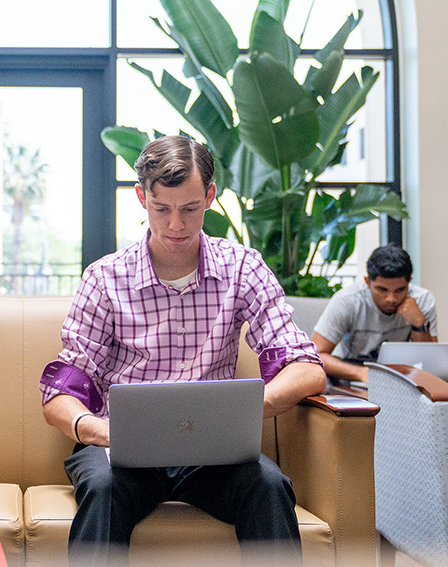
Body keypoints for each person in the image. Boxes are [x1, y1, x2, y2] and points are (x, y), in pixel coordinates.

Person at [38, 136, 327, 566]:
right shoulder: (104, 278)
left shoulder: (242, 267)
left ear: (210, 196)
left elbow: (307, 368)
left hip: (213, 454)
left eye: (190, 208)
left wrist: (249, 408)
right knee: (101, 489)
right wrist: (99, 432)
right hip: (121, 453)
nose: (176, 224)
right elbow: (61, 392)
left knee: (269, 486)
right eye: (162, 209)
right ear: (142, 197)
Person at [312, 244, 437, 385]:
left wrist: (419, 325)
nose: (391, 298)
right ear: (367, 282)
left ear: (409, 282)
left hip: (399, 379)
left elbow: (429, 365)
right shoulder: (347, 301)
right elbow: (316, 355)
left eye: (400, 290)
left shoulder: (422, 300)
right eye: (382, 290)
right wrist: (361, 373)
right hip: (350, 378)